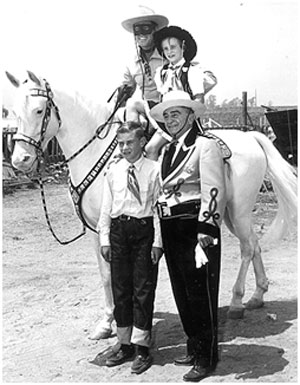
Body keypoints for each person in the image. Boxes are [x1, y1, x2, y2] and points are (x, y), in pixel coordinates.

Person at [150, 90, 227, 382]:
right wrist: (159, 238)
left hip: (196, 229)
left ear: (191, 116)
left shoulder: (204, 146)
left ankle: (207, 357)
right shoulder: (167, 150)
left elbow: (213, 188)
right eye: (167, 115)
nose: (170, 120)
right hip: (171, 228)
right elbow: (160, 194)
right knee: (182, 292)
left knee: (201, 293)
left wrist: (207, 228)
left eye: (176, 114)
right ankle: (194, 347)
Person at [97, 121, 163, 374]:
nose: (124, 148)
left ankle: (142, 347)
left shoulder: (154, 170)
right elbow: (106, 207)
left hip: (144, 231)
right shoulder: (113, 171)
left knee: (143, 289)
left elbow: (158, 208)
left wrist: (158, 242)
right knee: (120, 289)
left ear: (142, 142)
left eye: (129, 143)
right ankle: (124, 344)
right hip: (118, 232)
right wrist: (105, 239)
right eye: (121, 143)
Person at [145, 25, 217, 160]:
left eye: (173, 47)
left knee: (152, 148)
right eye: (165, 49)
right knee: (149, 146)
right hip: (167, 121)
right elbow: (162, 98)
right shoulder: (161, 73)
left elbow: (199, 99)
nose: (169, 52)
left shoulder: (192, 71)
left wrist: (186, 118)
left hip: (186, 122)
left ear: (182, 47)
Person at [117, 5, 169, 141]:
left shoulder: (169, 54)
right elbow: (126, 90)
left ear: (155, 31)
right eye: (137, 31)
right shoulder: (131, 62)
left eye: (146, 29)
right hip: (147, 110)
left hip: (169, 110)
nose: (141, 35)